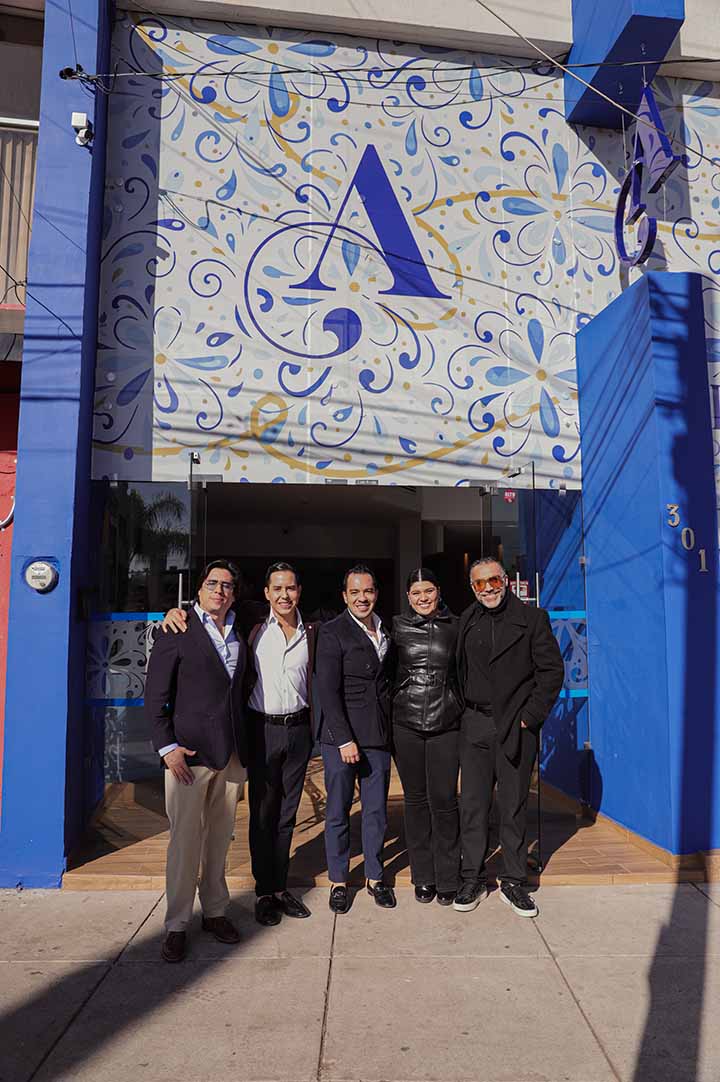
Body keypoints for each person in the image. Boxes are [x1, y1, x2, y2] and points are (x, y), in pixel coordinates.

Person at [163, 561, 316, 927]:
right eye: (277, 588)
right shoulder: (251, 624)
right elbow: (203, 620)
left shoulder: (314, 630)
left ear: (299, 592)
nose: (284, 595)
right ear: (265, 593)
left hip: (299, 731)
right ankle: (262, 893)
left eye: (290, 588)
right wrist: (174, 611)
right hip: (260, 730)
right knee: (262, 815)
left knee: (286, 815)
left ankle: (278, 888)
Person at [146, 560, 247, 963]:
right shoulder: (178, 628)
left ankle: (215, 912)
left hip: (231, 755)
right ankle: (177, 924)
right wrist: (165, 747)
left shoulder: (242, 627)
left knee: (220, 839)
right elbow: (155, 695)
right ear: (200, 589)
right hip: (186, 757)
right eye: (212, 583)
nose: (219, 591)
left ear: (234, 594)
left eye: (227, 585)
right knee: (184, 842)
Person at [454, 557, 564, 918]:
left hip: (515, 725)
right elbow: (457, 670)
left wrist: (529, 717)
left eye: (494, 580)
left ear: (506, 580)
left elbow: (551, 672)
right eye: (480, 583)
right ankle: (472, 877)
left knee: (513, 805)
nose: (488, 588)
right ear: (472, 587)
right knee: (473, 805)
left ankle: (514, 881)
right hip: (474, 723)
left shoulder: (533, 619)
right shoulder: (467, 619)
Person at [313, 564, 395, 914]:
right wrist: (344, 739)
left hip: (377, 734)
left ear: (376, 593)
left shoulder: (385, 629)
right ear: (345, 596)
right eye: (355, 592)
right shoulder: (333, 632)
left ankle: (375, 877)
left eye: (368, 591)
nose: (363, 598)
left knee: (376, 811)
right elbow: (327, 692)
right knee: (338, 811)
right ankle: (338, 881)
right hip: (341, 739)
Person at [390, 568, 462, 906]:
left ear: (438, 591)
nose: (423, 598)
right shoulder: (396, 627)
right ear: (408, 596)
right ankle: (423, 876)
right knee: (416, 801)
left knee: (444, 799)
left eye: (428, 591)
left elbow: (465, 673)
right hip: (406, 723)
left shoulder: (456, 626)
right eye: (416, 592)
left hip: (446, 722)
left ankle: (448, 876)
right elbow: (385, 673)